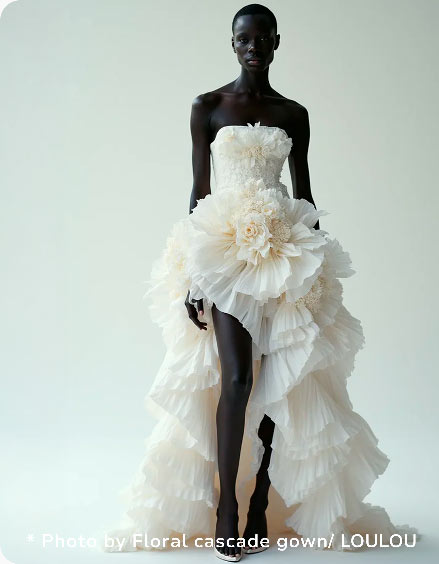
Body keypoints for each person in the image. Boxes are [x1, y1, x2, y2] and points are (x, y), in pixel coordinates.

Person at [101, 4, 419, 562]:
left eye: (262, 38)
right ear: (233, 44)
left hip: (284, 253)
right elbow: (199, 192)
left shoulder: (293, 114)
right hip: (224, 251)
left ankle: (258, 502)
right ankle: (226, 506)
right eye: (244, 39)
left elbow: (306, 193)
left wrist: (315, 268)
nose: (253, 47)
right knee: (238, 377)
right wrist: (193, 273)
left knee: (279, 379)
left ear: (276, 42)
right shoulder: (207, 107)